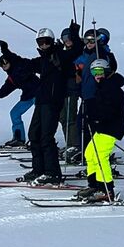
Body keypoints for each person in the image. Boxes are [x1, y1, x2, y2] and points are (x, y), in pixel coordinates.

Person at [0, 22, 82, 185]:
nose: (43, 45)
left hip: (53, 102)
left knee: (46, 137)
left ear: (52, 41)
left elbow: (76, 50)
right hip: (41, 101)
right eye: (40, 42)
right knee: (34, 135)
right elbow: (24, 63)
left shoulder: (61, 56)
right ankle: (39, 170)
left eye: (46, 42)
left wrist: (74, 34)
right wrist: (6, 51)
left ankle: (52, 173)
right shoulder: (42, 60)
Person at [76, 58, 124, 203]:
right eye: (94, 72)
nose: (97, 75)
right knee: (89, 153)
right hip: (102, 127)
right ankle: (94, 185)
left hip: (111, 127)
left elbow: (111, 109)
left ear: (106, 70)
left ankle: (106, 190)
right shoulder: (103, 86)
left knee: (100, 156)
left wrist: (97, 117)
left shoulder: (113, 88)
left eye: (99, 71)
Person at [0, 52, 40, 148]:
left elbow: (18, 59)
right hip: (28, 97)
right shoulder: (11, 79)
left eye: (6, 63)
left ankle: (41, 139)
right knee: (14, 113)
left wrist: (5, 50)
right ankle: (19, 139)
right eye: (2, 64)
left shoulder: (19, 67)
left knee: (40, 116)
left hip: (40, 94)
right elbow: (2, 93)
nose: (4, 65)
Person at [75, 28, 118, 155]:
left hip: (96, 96)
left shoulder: (101, 54)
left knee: (93, 127)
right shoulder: (85, 55)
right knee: (81, 125)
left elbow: (108, 70)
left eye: (92, 40)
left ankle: (97, 155)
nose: (89, 43)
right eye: (86, 40)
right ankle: (86, 153)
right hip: (86, 95)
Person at [57, 27, 82, 163]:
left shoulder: (77, 51)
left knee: (70, 117)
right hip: (62, 90)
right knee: (62, 117)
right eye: (64, 39)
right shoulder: (64, 52)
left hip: (72, 89)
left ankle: (75, 145)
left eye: (68, 38)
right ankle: (70, 143)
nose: (66, 41)